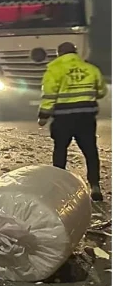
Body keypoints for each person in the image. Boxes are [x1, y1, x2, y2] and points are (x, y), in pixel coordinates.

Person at [38, 42, 106, 201]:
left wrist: (43, 116)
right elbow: (101, 91)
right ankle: (95, 186)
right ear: (75, 52)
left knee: (60, 150)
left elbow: (49, 96)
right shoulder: (90, 69)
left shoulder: (54, 69)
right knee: (90, 151)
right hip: (86, 118)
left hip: (63, 118)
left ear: (59, 54)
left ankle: (58, 186)